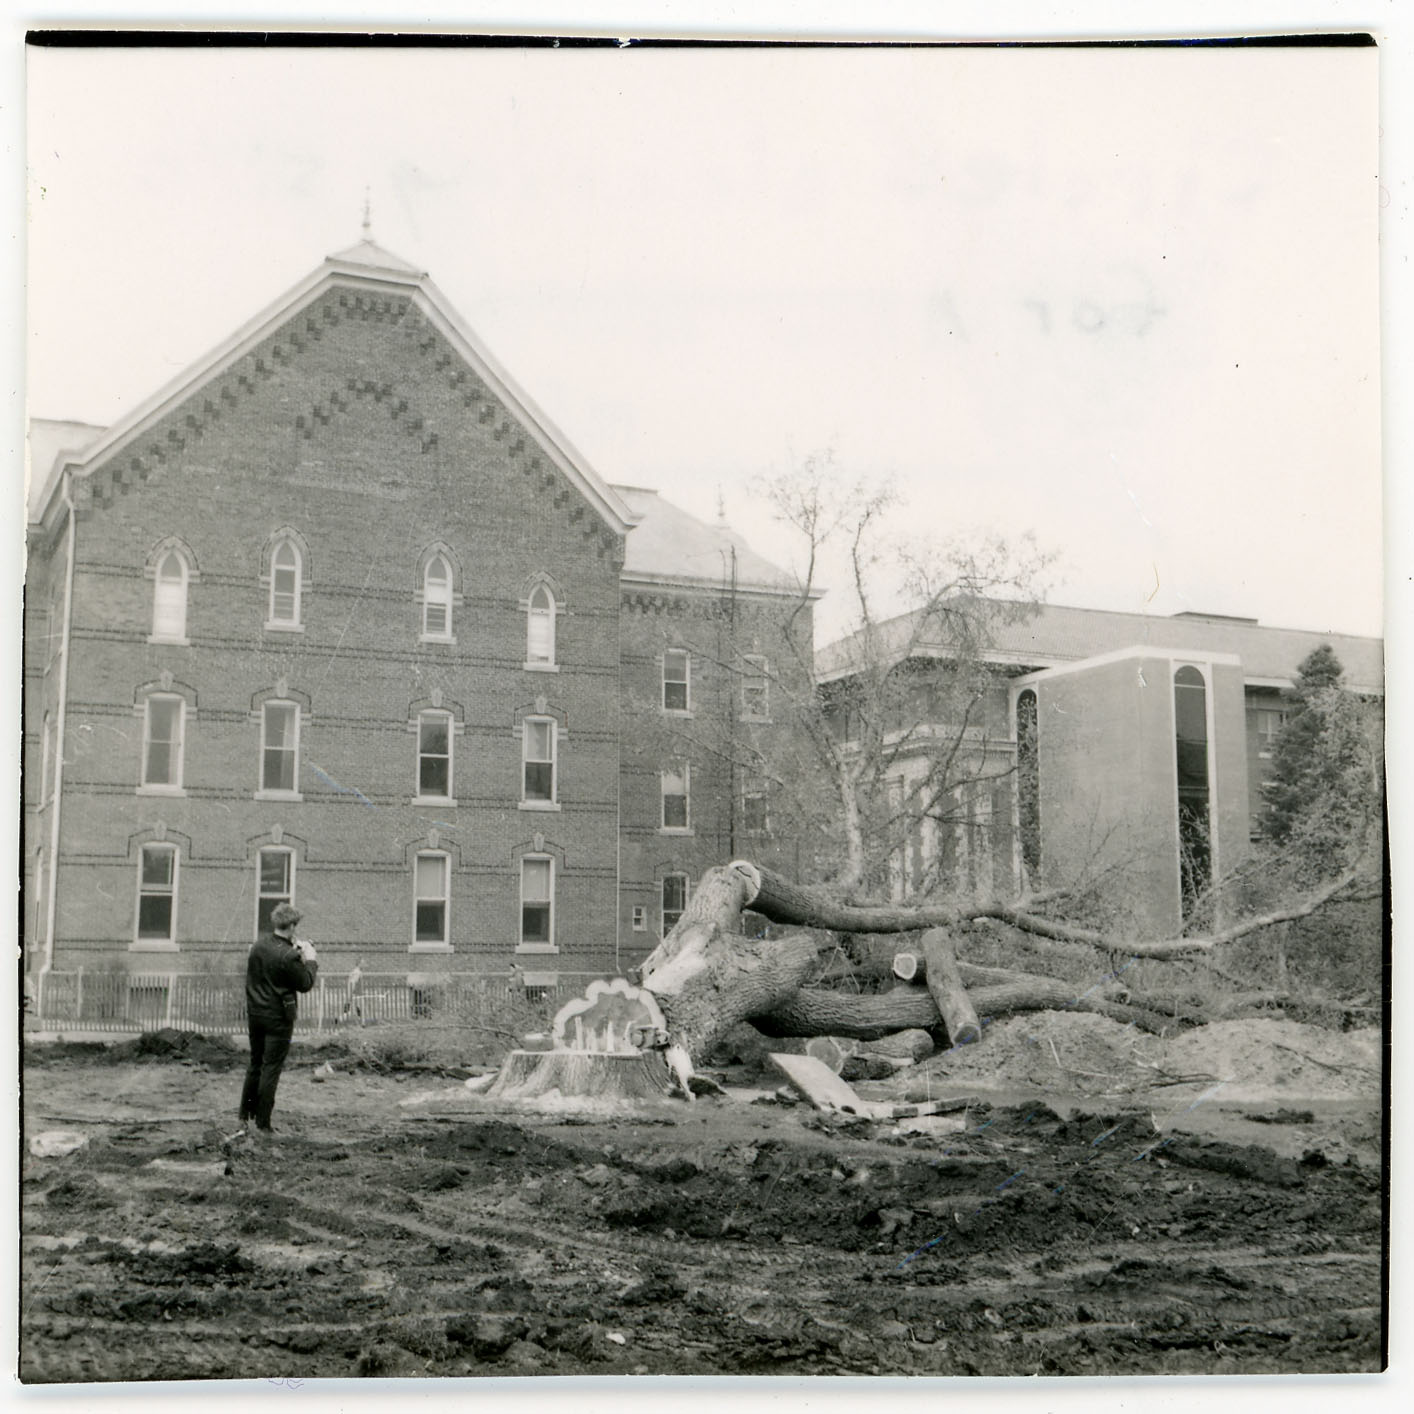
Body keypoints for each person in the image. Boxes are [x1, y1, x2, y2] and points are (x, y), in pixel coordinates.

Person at [239, 902, 318, 1135]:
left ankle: (245, 1117)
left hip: (255, 1014)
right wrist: (310, 958)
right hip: (278, 1018)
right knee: (271, 1068)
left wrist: (295, 951)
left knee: (255, 1064)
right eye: (296, 926)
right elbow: (305, 983)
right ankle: (263, 1124)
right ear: (292, 926)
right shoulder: (288, 956)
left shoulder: (257, 946)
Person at [338, 958, 364, 1026]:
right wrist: (350, 992)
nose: (364, 965)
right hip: (355, 993)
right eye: (363, 963)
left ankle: (359, 1021)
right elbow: (352, 982)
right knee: (356, 1007)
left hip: (355, 993)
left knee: (355, 1007)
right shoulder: (357, 972)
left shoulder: (356, 971)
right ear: (359, 964)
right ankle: (340, 1020)